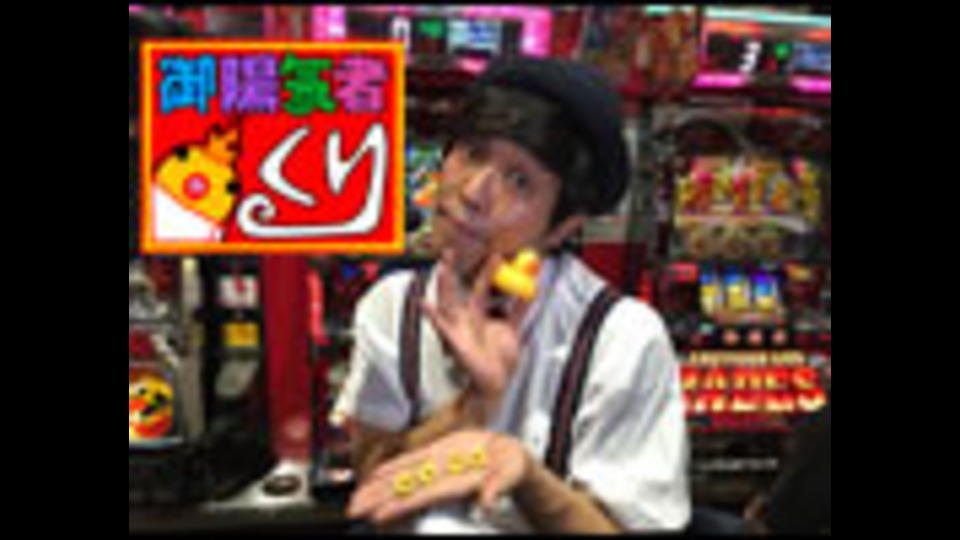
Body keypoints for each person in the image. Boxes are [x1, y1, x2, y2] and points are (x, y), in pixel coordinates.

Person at [335, 57, 691, 534]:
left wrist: (525, 476)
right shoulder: (393, 305)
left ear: (562, 227)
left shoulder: (621, 337)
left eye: (519, 180)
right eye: (473, 153)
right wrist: (475, 405)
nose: (472, 191)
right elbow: (372, 478)